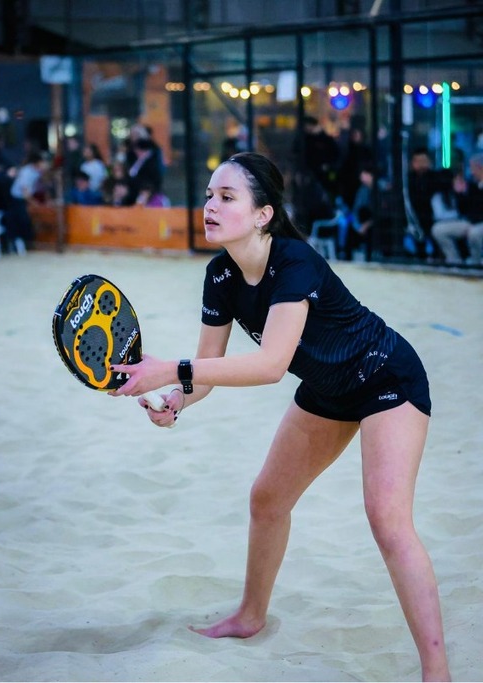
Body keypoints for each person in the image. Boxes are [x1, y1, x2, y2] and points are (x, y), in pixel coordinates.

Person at [109, 152, 450, 681]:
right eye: (207, 196)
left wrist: (171, 371)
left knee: (387, 520)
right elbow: (212, 369)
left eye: (227, 197)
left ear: (263, 213)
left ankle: (436, 671)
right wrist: (177, 398)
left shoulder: (295, 262)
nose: (210, 206)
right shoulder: (219, 275)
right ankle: (250, 615)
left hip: (387, 379)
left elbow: (270, 365)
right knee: (267, 501)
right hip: (327, 390)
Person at [432, 153, 483, 265]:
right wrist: (460, 194)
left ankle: (476, 263)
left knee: (474, 233)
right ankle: (455, 262)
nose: (471, 172)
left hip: (478, 224)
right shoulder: (472, 185)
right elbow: (465, 209)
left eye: (473, 168)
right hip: (470, 222)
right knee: (438, 230)